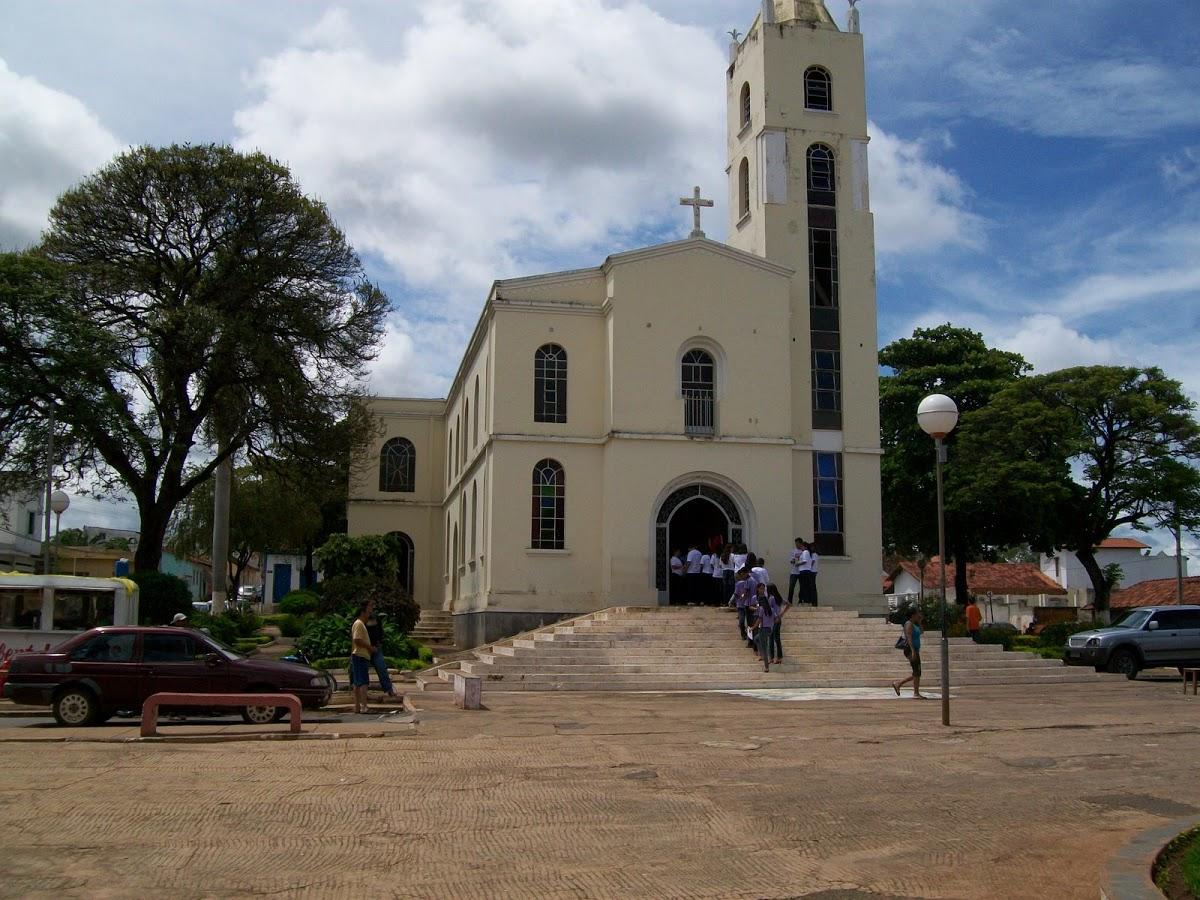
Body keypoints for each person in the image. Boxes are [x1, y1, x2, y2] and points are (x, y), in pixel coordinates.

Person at [365, 610, 402, 702]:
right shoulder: (361, 619)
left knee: (382, 669)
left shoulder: (375, 617)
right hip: (365, 648)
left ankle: (389, 690)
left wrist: (379, 642)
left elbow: (380, 631)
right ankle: (362, 693)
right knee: (361, 671)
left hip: (376, 648)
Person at [892, 609, 925, 699]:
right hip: (910, 650)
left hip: (915, 649)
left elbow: (922, 632)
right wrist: (912, 650)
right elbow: (908, 637)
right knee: (916, 671)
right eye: (917, 614)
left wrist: (920, 622)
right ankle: (915, 692)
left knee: (917, 672)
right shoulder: (908, 624)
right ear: (912, 615)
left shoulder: (914, 624)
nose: (918, 615)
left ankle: (899, 683)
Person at [748, 582, 780, 672]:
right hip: (770, 629)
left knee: (764, 647)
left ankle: (766, 666)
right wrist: (771, 623)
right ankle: (763, 655)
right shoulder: (772, 609)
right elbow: (777, 619)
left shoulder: (762, 609)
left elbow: (759, 620)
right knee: (756, 639)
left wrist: (752, 628)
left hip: (763, 629)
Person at [350, 599, 374, 714]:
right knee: (363, 682)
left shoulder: (360, 624)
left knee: (358, 682)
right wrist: (369, 647)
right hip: (360, 655)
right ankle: (363, 706)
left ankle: (358, 706)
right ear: (363, 611)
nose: (371, 612)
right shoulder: (359, 624)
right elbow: (357, 640)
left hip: (360, 656)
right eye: (369, 608)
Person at [730, 566, 755, 643]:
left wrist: (741, 597)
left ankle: (750, 640)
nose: (741, 577)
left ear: (745, 573)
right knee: (744, 622)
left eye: (742, 575)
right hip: (744, 604)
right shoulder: (750, 580)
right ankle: (747, 637)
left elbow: (745, 593)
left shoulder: (749, 581)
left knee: (750, 623)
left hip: (748, 604)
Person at [767, 582, 787, 665]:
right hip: (778, 619)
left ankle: (772, 657)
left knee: (772, 639)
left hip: (773, 620)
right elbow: (788, 604)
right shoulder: (779, 597)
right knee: (777, 639)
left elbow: (769, 609)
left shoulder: (771, 598)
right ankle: (779, 657)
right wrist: (781, 614)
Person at [787, 538, 809, 606]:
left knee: (802, 587)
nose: (796, 545)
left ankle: (800, 600)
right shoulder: (793, 551)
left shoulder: (804, 551)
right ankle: (789, 601)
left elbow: (805, 561)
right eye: (795, 544)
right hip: (794, 572)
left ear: (801, 543)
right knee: (791, 587)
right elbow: (791, 561)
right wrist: (794, 560)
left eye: (798, 544)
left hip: (801, 572)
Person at [806, 541, 820, 606]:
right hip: (814, 571)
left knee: (812, 587)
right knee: (812, 586)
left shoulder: (814, 554)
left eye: (812, 547)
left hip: (812, 572)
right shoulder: (815, 554)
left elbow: (812, 562)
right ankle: (814, 602)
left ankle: (814, 602)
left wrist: (808, 567)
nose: (811, 548)